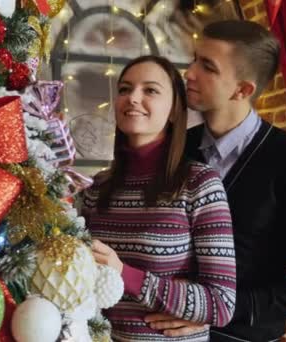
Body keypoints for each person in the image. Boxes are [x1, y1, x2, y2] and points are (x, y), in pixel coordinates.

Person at [145, 20, 286, 341]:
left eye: (207, 66)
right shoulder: (175, 146)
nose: (190, 73)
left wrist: (213, 309)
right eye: (194, 58)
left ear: (243, 90)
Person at [81, 55, 237, 341]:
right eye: (125, 89)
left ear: (176, 110)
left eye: (150, 90)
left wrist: (125, 274)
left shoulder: (200, 184)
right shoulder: (97, 187)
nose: (133, 98)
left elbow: (221, 303)